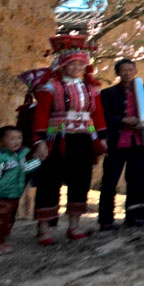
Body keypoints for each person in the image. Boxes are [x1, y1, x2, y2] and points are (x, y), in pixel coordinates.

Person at [31, 34, 107, 245]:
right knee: (49, 180)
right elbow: (41, 115)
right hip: (56, 138)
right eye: (71, 64)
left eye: (79, 64)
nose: (75, 68)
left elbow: (98, 116)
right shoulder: (50, 88)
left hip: (83, 137)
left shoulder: (92, 90)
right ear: (63, 65)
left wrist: (102, 139)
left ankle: (74, 225)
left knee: (80, 180)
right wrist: (39, 141)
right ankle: (44, 228)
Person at [99, 59, 144, 229]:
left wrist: (143, 122)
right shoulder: (108, 94)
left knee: (135, 181)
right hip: (116, 142)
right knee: (109, 181)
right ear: (117, 73)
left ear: (136, 71)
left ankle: (133, 217)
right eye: (123, 70)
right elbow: (103, 117)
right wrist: (122, 120)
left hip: (137, 142)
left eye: (130, 69)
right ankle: (106, 220)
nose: (127, 73)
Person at [0, 126, 42, 255]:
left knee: (7, 221)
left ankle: (0, 242)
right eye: (12, 139)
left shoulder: (19, 155)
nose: (17, 141)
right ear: (1, 141)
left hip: (13, 195)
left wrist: (37, 161)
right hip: (0, 196)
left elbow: (24, 169)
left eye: (19, 138)